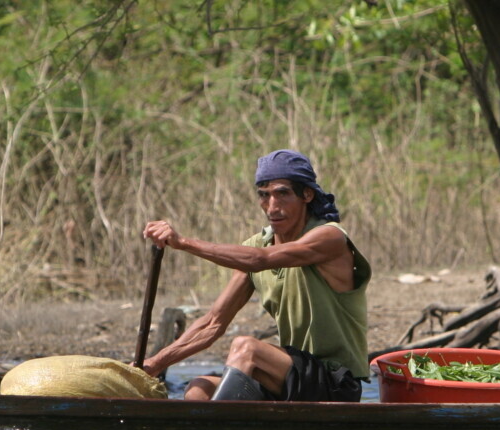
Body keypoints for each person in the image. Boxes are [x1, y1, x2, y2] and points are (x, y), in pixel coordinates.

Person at [141, 149, 371, 402]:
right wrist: (153, 364)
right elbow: (212, 323)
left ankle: (219, 425)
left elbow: (260, 260)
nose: (272, 207)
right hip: (292, 377)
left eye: (282, 194)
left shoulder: (330, 237)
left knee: (247, 347)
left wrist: (183, 242)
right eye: (264, 195)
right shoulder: (257, 245)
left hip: (335, 382)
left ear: (307, 194)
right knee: (199, 388)